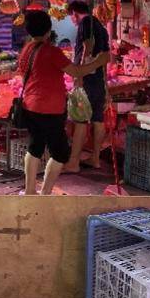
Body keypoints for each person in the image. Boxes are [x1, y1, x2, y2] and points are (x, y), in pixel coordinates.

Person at [18, 11, 109, 195]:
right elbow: (76, 72)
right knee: (60, 153)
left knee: (35, 146)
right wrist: (99, 61)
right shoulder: (51, 51)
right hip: (50, 109)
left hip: (30, 106)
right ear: (48, 29)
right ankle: (45, 193)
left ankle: (29, 191)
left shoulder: (27, 49)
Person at [65, 0, 111, 172]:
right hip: (98, 79)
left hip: (87, 80)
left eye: (71, 17)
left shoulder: (86, 22)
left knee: (80, 120)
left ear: (75, 13)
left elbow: (87, 47)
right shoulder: (101, 26)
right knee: (98, 119)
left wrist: (80, 75)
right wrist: (105, 84)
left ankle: (74, 162)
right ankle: (96, 158)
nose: (72, 20)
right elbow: (105, 56)